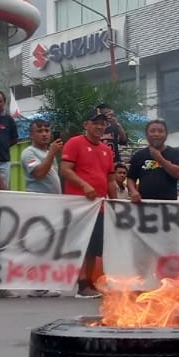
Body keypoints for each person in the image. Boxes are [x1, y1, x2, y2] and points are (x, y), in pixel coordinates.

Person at [61, 110, 116, 297]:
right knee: (80, 244)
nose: (100, 127)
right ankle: (79, 281)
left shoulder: (107, 150)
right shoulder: (75, 143)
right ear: (86, 125)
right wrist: (84, 186)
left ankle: (87, 281)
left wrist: (115, 202)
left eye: (103, 124)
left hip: (99, 206)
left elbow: (110, 180)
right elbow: (65, 170)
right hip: (79, 205)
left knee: (93, 246)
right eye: (95, 123)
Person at [127, 119, 179, 202]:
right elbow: (131, 178)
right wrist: (133, 191)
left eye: (160, 131)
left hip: (169, 205)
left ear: (166, 134)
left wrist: (160, 159)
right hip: (144, 205)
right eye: (152, 131)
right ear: (147, 134)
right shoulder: (139, 155)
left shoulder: (175, 153)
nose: (156, 134)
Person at [21, 120, 63, 194]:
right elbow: (39, 174)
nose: (44, 134)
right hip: (38, 199)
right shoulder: (28, 152)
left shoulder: (48, 152)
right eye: (39, 131)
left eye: (47, 131)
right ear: (31, 135)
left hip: (52, 199)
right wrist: (52, 153)